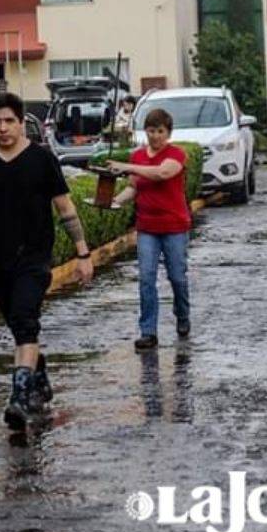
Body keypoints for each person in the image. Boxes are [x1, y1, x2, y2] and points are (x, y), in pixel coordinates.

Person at [0, 92, 95, 431]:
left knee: (25, 321)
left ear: (21, 122)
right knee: (19, 327)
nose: (3, 128)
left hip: (35, 257)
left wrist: (83, 253)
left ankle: (19, 397)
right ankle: (38, 377)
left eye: (9, 121)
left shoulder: (41, 160)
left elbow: (66, 209)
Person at [107, 108, 192, 352]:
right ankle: (148, 331)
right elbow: (134, 188)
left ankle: (182, 314)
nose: (155, 136)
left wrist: (127, 167)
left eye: (160, 131)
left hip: (174, 225)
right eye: (151, 130)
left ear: (168, 133)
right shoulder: (137, 157)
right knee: (146, 278)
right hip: (147, 227)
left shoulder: (176, 154)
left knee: (177, 277)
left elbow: (162, 173)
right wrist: (115, 201)